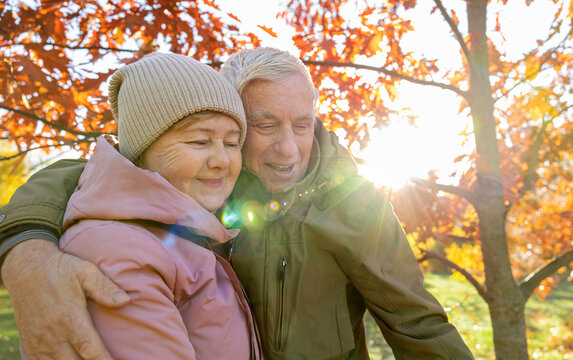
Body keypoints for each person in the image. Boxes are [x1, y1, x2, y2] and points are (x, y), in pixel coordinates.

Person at [0, 47, 474, 359]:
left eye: (303, 125)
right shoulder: (208, 183)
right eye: (265, 127)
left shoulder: (356, 204)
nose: (288, 149)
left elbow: (419, 324)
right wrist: (25, 251)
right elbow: (101, 171)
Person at [13, 52, 261, 359]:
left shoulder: (189, 234)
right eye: (199, 141)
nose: (221, 160)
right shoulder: (118, 250)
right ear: (142, 149)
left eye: (232, 143)